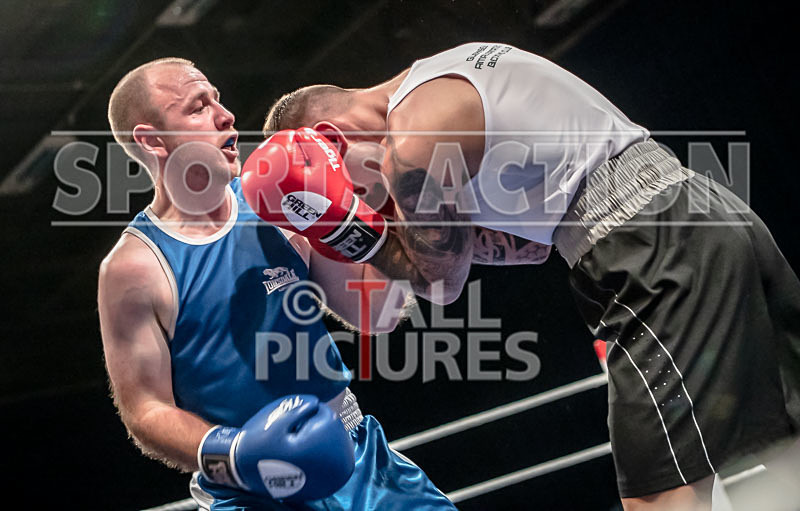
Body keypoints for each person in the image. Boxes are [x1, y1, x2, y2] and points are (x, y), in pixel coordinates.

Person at [259, 42, 800, 510]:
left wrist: (352, 231)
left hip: (648, 250)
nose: (367, 197)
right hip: (702, 211)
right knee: (787, 443)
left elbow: (443, 283)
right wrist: (424, 235)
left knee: (660, 492)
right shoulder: (446, 70)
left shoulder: (413, 144)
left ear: (331, 138)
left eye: (351, 187)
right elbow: (529, 247)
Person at [98, 57, 456, 510]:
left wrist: (384, 213)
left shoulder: (277, 199)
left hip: (361, 462)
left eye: (217, 100)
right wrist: (234, 453)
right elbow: (146, 410)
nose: (225, 116)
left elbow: (375, 313)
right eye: (198, 107)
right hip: (252, 493)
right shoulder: (135, 267)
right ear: (152, 140)